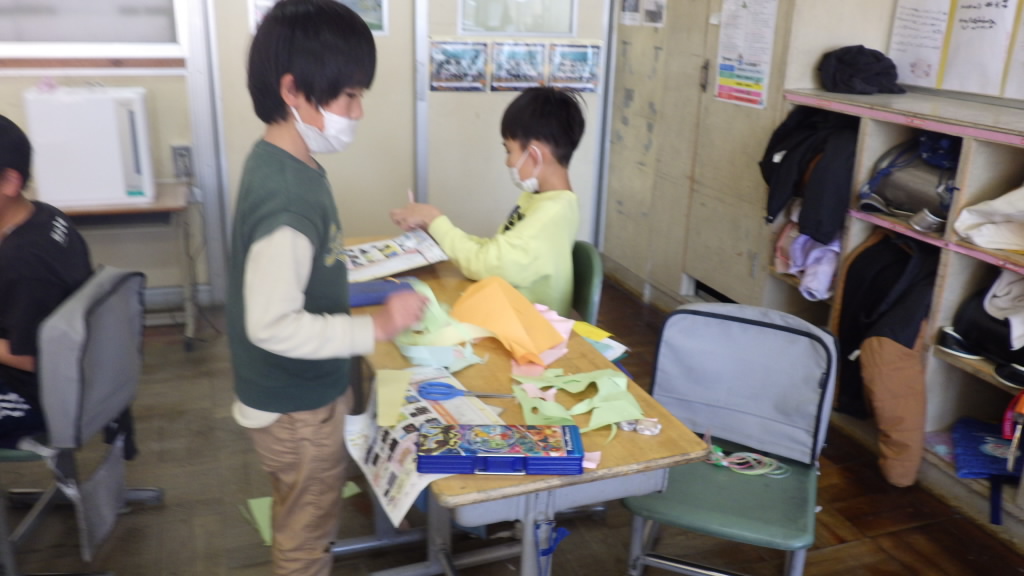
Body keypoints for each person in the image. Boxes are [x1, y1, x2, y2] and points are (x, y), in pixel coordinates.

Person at [226, 2, 426, 574]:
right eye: (349, 96)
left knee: (305, 516)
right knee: (305, 538)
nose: (358, 111)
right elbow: (272, 324)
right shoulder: (286, 197)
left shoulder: (290, 163)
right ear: (293, 89)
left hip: (304, 396)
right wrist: (377, 326)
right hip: (297, 408)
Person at [390, 86, 585, 317]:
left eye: (509, 150)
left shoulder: (551, 214)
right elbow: (494, 250)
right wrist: (436, 231)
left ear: (534, 155)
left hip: (525, 326)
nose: (508, 162)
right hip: (509, 311)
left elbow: (486, 264)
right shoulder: (542, 200)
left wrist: (434, 219)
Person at [0, 114, 92, 447]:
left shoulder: (24, 264)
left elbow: (34, 358)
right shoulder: (44, 215)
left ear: (10, 181)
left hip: (32, 397)